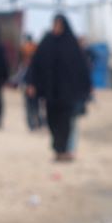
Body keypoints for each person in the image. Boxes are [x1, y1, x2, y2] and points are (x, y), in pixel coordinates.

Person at [27, 14, 93, 161]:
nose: (56, 28)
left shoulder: (71, 44)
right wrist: (32, 83)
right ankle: (58, 149)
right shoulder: (47, 42)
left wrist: (87, 87)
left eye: (59, 25)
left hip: (67, 93)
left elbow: (82, 67)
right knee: (52, 120)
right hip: (50, 91)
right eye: (54, 24)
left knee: (65, 121)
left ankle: (63, 150)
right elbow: (35, 64)